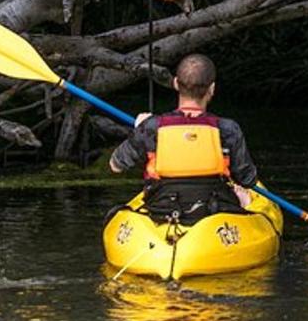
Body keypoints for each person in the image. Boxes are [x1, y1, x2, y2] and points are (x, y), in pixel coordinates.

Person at [109, 54, 258, 224]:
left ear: (175, 83)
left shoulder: (151, 127)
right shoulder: (228, 129)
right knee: (242, 196)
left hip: (161, 211)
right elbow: (248, 179)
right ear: (212, 89)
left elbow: (115, 165)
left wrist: (139, 129)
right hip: (215, 212)